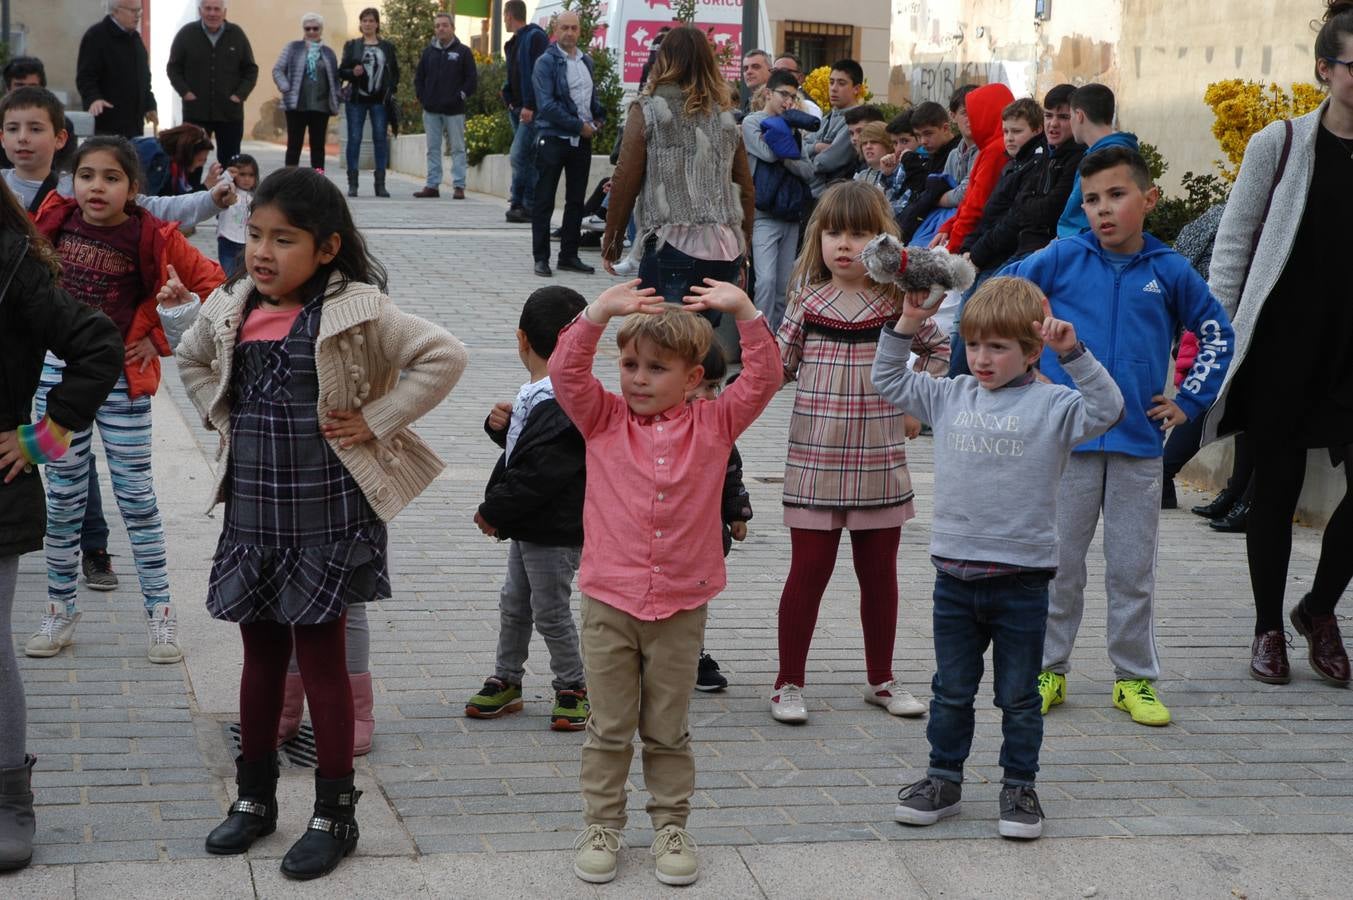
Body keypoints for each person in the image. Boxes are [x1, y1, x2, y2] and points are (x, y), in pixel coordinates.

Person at [174, 167, 467, 878]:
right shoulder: (232, 304)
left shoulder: (355, 308)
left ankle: (335, 814)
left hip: (326, 514)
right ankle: (254, 800)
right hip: (254, 512)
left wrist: (375, 419)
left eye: (285, 239)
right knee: (261, 657)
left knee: (324, 661)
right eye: (255, 235)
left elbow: (444, 355)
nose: (263, 252)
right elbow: (189, 358)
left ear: (327, 247)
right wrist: (225, 415)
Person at [874, 277, 1124, 841]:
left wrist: (1075, 354)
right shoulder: (950, 394)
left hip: (1023, 583)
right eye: (975, 345)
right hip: (955, 578)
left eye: (999, 347)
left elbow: (1108, 407)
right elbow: (887, 377)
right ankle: (943, 779)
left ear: (1032, 351)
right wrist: (909, 321)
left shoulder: (1057, 406)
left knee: (1019, 695)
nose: (982, 359)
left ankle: (1019, 785)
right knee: (951, 689)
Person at [550, 277, 780, 887]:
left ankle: (671, 825)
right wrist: (597, 314)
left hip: (680, 605)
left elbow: (765, 379)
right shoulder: (601, 419)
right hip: (609, 600)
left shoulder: (715, 424)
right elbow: (567, 371)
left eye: (656, 368)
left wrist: (747, 313)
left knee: (667, 727)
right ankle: (602, 823)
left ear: (693, 376)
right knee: (609, 724)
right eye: (629, 364)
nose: (638, 378)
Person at [1007, 147, 1235, 727]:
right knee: (1059, 564)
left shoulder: (1171, 270)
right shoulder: (1061, 257)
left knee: (1132, 568)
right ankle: (1048, 668)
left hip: (1138, 447)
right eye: (1091, 200)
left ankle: (1133, 679)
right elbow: (998, 302)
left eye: (1116, 195)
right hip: (1068, 445)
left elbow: (1216, 333)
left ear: (1149, 199)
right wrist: (1022, 376)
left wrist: (1189, 400)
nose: (1102, 210)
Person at [26, 136, 227, 664]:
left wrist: (157, 336)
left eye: (111, 178)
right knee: (63, 500)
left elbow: (218, 286)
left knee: (137, 499)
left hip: (124, 384)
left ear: (134, 189)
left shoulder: (154, 235)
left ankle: (161, 616)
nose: (97, 186)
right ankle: (58, 610)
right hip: (55, 382)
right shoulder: (52, 222)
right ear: (72, 180)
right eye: (86, 175)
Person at [1203, 0, 1353, 687]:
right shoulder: (1281, 142)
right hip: (1285, 339)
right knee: (1275, 487)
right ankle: (1267, 626)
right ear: (1324, 70)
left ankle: (1317, 609)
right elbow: (1232, 245)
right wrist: (1221, 332)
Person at [770, 181, 949, 725]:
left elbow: (939, 349)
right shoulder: (806, 299)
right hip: (815, 461)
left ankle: (882, 679)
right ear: (817, 238)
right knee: (808, 572)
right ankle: (787, 683)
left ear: (884, 242)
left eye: (860, 233)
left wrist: (916, 403)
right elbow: (779, 365)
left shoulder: (896, 303)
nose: (845, 245)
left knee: (880, 576)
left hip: (879, 462)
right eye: (834, 232)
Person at [0, 178, 123, 874]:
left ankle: (10, 794)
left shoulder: (12, 260)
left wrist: (42, 439)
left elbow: (97, 345)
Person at [466, 285, 590, 730]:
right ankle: (507, 679)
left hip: (554, 527)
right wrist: (500, 429)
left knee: (549, 609)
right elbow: (530, 453)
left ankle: (573, 685)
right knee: (514, 602)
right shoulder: (541, 393)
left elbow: (542, 471)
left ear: (521, 339)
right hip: (533, 523)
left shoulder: (563, 399)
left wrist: (494, 509)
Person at [601, 26, 755, 313]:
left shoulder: (647, 110)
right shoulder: (724, 115)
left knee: (662, 340)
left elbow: (625, 180)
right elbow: (745, 186)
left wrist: (612, 242)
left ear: (664, 60)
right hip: (725, 247)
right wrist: (743, 246)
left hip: (672, 243)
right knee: (703, 344)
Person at [946, 95, 1046, 377]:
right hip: (983, 252)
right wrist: (968, 248)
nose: (1010, 138)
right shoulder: (1013, 163)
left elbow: (1011, 220)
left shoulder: (1032, 166)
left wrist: (975, 253)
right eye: (1006, 132)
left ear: (1036, 130)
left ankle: (958, 386)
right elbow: (987, 213)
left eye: (1017, 131)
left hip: (1000, 256)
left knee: (974, 324)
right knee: (963, 326)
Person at [688, 344, 751, 693]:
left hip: (704, 539)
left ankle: (692, 656)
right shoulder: (647, 426)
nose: (709, 395)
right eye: (703, 385)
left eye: (715, 387)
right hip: (656, 542)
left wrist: (736, 512)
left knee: (696, 603)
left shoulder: (716, 430)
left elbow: (731, 472)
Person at [530, 11, 605, 276]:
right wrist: (578, 126)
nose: (570, 33)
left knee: (576, 201)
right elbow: (547, 105)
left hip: (581, 142)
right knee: (544, 200)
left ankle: (568, 255)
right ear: (555, 29)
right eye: (565, 28)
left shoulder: (586, 61)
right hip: (553, 139)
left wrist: (598, 118)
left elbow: (590, 99)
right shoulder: (546, 62)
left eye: (574, 28)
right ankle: (541, 258)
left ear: (580, 30)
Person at [742, 69, 817, 328]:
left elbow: (808, 171)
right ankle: (760, 338)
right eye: (784, 94)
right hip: (762, 213)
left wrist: (786, 149)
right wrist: (786, 151)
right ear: (768, 93)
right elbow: (767, 154)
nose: (788, 102)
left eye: (793, 97)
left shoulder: (794, 130)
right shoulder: (752, 122)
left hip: (790, 214)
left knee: (785, 283)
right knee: (764, 281)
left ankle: (780, 342)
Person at [166, 0, 259, 166]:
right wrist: (185, 92)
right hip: (196, 111)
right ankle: (191, 191)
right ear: (200, 11)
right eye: (208, 8)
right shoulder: (187, 34)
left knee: (230, 163)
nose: (212, 13)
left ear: (224, 12)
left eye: (217, 9)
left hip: (229, 112)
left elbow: (251, 69)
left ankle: (226, 192)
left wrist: (239, 95)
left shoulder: (236, 34)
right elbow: (173, 68)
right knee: (191, 160)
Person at [931, 82, 1016, 253]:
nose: (971, 119)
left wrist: (951, 250)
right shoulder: (991, 147)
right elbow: (970, 201)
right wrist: (948, 226)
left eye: (974, 112)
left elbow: (975, 206)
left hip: (981, 241)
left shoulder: (995, 150)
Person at [1010, 83, 1087, 259]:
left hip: (1047, 250)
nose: (1053, 124)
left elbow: (1050, 210)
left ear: (1077, 117)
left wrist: (1026, 207)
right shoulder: (1043, 152)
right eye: (1048, 115)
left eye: (1063, 117)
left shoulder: (1078, 159)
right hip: (1021, 244)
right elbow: (1017, 202)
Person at [1055, 84, 1138, 238]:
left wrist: (1056, 248)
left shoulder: (1108, 158)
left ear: (1079, 115)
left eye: (1070, 116)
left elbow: (1078, 220)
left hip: (1084, 245)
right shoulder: (1118, 149)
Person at [413, 13, 478, 200]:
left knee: (457, 148)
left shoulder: (463, 52)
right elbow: (419, 78)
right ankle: (432, 186)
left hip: (454, 110)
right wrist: (422, 97)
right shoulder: (428, 53)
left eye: (444, 25)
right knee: (433, 148)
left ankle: (459, 186)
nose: (441, 28)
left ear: (452, 28)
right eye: (437, 26)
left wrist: (460, 96)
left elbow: (471, 80)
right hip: (431, 110)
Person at [339, 7, 400, 198]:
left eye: (371, 20)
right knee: (354, 139)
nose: (367, 24)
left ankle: (380, 184)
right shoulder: (352, 45)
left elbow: (395, 72)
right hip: (356, 100)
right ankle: (353, 184)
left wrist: (391, 90)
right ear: (360, 24)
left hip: (379, 101)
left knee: (380, 140)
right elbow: (341, 71)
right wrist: (352, 73)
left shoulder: (387, 47)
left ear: (377, 24)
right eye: (364, 20)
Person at [76, 0, 158, 139]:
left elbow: (144, 79)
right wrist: (94, 99)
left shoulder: (135, 39)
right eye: (133, 11)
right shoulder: (96, 36)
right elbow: (86, 77)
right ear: (115, 11)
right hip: (107, 126)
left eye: (139, 11)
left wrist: (150, 105)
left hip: (134, 127)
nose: (138, 15)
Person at [273, 14, 341, 172]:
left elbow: (335, 79)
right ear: (303, 29)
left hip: (321, 106)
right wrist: (285, 87)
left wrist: (337, 96)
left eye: (315, 28)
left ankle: (318, 180)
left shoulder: (328, 53)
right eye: (307, 28)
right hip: (296, 105)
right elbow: (278, 70)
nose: (311, 31)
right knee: (293, 146)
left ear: (321, 30)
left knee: (318, 148)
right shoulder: (293, 47)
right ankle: (289, 180)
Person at [502, 0, 549, 222]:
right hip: (518, 109)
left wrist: (530, 105)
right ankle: (521, 205)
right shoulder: (514, 42)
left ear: (509, 15)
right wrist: (509, 99)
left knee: (519, 155)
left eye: (504, 16)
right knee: (526, 157)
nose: (504, 20)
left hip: (531, 111)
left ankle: (525, 204)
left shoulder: (535, 37)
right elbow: (512, 74)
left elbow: (538, 74)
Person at [0, 57, 77, 172]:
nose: (22, 138)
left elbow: (66, 164)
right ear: (8, 89)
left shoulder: (62, 123)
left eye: (35, 129)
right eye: (19, 86)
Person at [804, 60, 866, 198]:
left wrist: (802, 160)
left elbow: (827, 162)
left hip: (832, 197)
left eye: (841, 83)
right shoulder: (827, 117)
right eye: (831, 82)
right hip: (812, 193)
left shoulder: (855, 121)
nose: (834, 88)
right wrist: (816, 147)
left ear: (856, 88)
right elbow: (800, 146)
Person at [216, 154, 257, 274]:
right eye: (242, 174)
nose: (247, 179)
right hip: (227, 240)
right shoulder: (229, 190)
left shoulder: (256, 196)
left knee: (244, 276)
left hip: (246, 243)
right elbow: (219, 186)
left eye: (251, 175)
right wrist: (227, 175)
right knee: (228, 274)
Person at [771, 53, 823, 119]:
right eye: (775, 71)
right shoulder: (769, 99)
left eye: (784, 71)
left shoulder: (809, 106)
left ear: (800, 77)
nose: (777, 75)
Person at [854, 121, 895, 188]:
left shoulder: (898, 173)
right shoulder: (861, 176)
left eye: (874, 142)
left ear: (887, 144)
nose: (868, 146)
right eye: (864, 143)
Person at [739, 49, 772, 113]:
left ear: (770, 70)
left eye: (755, 67)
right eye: (745, 68)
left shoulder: (774, 100)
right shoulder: (750, 101)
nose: (748, 72)